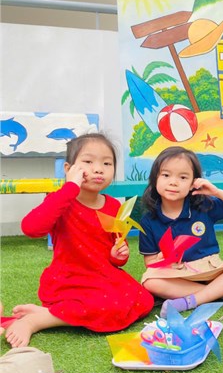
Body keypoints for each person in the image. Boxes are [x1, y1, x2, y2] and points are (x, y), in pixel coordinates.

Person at [4, 133, 154, 348]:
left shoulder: (114, 206)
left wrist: (118, 255)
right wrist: (70, 188)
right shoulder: (59, 200)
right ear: (69, 169)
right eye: (88, 161)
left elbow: (116, 255)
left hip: (103, 276)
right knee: (106, 307)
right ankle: (36, 321)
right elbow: (31, 228)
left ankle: (50, 313)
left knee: (144, 300)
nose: (98, 169)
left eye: (107, 163)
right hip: (69, 279)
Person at [139, 146, 223, 318]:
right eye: (166, 175)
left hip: (211, 270)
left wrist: (216, 192)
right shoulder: (149, 220)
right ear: (155, 178)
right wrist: (161, 259)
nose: (173, 182)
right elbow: (150, 263)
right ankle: (222, 293)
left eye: (183, 177)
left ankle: (191, 301)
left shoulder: (203, 205)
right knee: (150, 281)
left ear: (194, 182)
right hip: (178, 275)